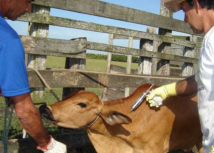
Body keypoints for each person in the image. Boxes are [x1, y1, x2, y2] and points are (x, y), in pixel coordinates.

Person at [146, 0, 214, 152]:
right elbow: (198, 81)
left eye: (184, 11)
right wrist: (165, 91)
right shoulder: (209, 38)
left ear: (196, 4)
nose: (184, 19)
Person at [0, 0, 66, 152]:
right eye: (27, 2)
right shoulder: (8, 40)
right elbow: (25, 111)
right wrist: (48, 145)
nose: (28, 9)